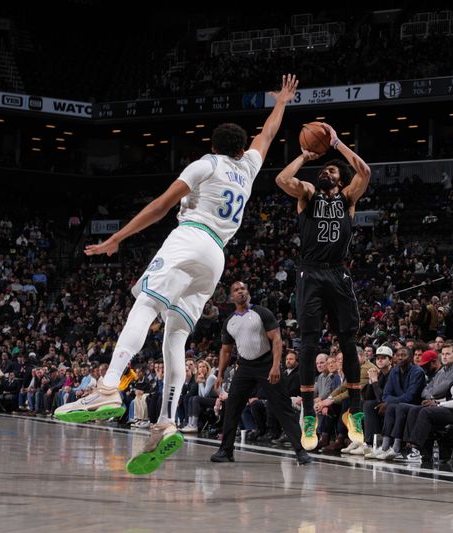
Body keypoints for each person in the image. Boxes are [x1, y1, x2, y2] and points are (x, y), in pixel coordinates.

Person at [55, 74, 300, 476]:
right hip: (216, 257)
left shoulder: (205, 164)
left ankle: (106, 386)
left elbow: (159, 206)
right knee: (176, 335)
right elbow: (268, 135)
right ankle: (166, 420)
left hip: (190, 237)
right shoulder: (249, 168)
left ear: (214, 146)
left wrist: (116, 237)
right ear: (241, 148)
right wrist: (282, 102)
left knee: (146, 303)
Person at [275, 121, 372, 451]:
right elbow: (281, 180)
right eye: (325, 170)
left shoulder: (348, 198)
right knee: (309, 341)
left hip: (338, 272)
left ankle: (355, 411)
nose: (326, 173)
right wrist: (304, 155)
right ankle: (307, 414)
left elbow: (366, 172)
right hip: (310, 272)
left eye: (331, 170)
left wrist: (337, 143)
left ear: (340, 179)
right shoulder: (307, 194)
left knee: (347, 340)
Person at [209, 281, 311, 465]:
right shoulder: (229, 321)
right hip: (245, 366)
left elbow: (277, 340)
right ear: (231, 297)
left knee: (282, 407)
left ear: (247, 292)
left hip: (266, 363)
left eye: (243, 288)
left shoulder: (261, 313)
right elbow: (225, 350)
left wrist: (275, 366)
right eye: (236, 290)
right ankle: (226, 451)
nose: (240, 292)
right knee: (232, 406)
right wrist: (221, 374)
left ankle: (300, 450)